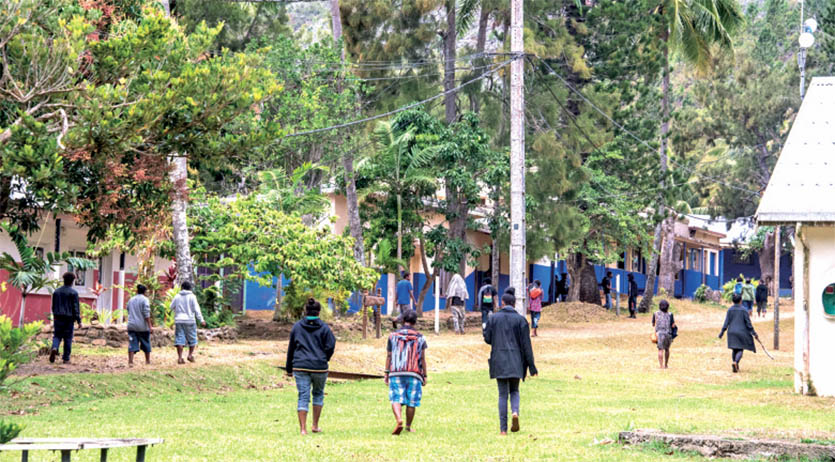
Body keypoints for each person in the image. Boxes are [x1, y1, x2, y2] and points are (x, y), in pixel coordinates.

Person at [483, 292, 537, 435]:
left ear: (502, 302)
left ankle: (503, 429)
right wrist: (532, 366)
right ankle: (515, 412)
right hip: (516, 361)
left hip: (499, 360)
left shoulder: (493, 318)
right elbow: (526, 345)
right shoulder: (521, 320)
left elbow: (487, 338)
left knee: (502, 395)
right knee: (514, 391)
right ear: (514, 304)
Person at [286, 298, 336, 435]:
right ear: (319, 312)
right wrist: (325, 358)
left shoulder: (297, 327)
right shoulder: (325, 328)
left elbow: (291, 348)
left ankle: (303, 429)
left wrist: (289, 368)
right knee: (318, 394)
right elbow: (331, 345)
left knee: (303, 396)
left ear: (305, 311)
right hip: (319, 367)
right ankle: (315, 425)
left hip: (300, 366)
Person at [385, 309, 427, 435]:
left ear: (403, 320)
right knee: (411, 401)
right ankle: (408, 426)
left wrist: (386, 373)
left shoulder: (392, 336)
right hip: (414, 372)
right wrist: (424, 375)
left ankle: (399, 419)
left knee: (396, 398)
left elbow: (389, 355)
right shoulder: (420, 337)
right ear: (415, 321)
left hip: (396, 371)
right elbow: (422, 358)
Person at [719, 293, 759, 373]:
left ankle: (735, 365)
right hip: (741, 332)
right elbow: (748, 324)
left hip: (731, 332)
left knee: (734, 349)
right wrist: (754, 333)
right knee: (740, 349)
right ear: (741, 300)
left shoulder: (730, 310)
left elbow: (726, 322)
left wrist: (722, 332)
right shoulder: (744, 310)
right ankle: (736, 362)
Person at [171, 281, 206, 365]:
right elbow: (197, 309)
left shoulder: (177, 296)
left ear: (182, 287)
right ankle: (190, 355)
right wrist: (201, 320)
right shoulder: (192, 297)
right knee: (192, 338)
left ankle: (180, 358)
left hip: (179, 320)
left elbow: (171, 307)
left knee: (179, 338)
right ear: (190, 288)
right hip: (190, 320)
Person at [50, 272, 81, 364]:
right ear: (72, 281)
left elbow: (53, 306)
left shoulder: (56, 292)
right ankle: (66, 358)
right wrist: (79, 321)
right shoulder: (74, 293)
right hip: (69, 318)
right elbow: (75, 308)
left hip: (58, 317)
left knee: (57, 336)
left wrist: (55, 315)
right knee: (68, 338)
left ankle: (55, 347)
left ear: (64, 280)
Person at [126, 284, 153, 366]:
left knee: (132, 343)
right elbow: (146, 314)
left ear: (136, 291)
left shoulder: (131, 300)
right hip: (142, 326)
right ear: (144, 292)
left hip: (132, 325)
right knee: (146, 342)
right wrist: (150, 326)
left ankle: (130, 361)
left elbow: (128, 309)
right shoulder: (145, 300)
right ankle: (147, 361)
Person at [652, 300, 676, 369]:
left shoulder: (655, 314)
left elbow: (653, 324)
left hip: (659, 334)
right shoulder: (670, 314)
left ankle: (661, 365)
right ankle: (666, 365)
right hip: (668, 334)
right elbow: (673, 325)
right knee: (667, 349)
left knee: (660, 350)